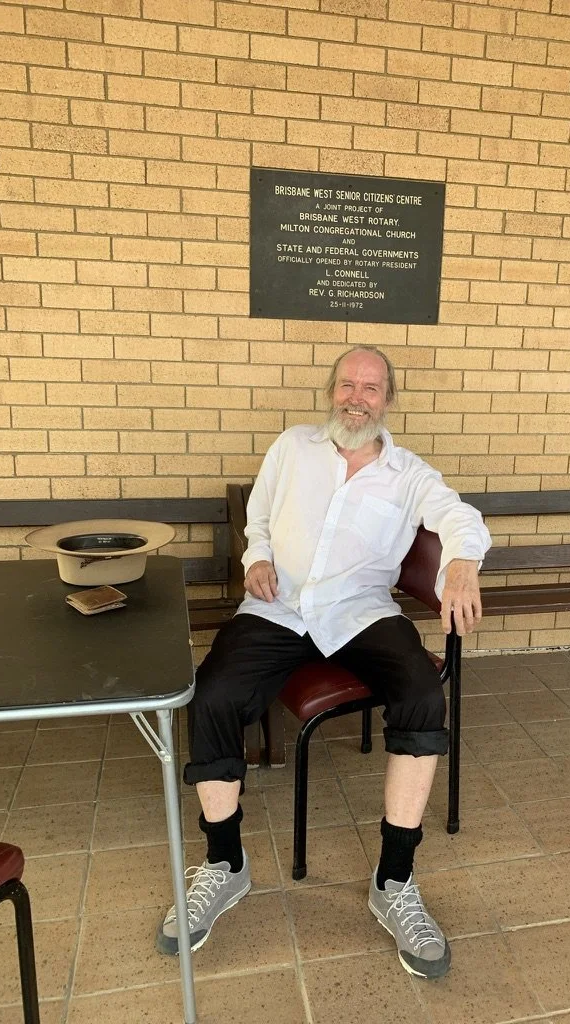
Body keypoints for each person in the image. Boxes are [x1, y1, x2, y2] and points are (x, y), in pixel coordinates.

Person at [157, 345, 491, 978]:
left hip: (360, 611)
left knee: (423, 694)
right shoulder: (292, 447)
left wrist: (463, 562)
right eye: (346, 384)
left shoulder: (409, 473)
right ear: (330, 390)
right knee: (213, 696)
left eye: (370, 387)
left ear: (388, 400)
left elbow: (459, 517)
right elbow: (257, 517)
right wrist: (256, 558)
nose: (356, 397)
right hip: (279, 605)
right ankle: (225, 865)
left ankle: (395, 882)